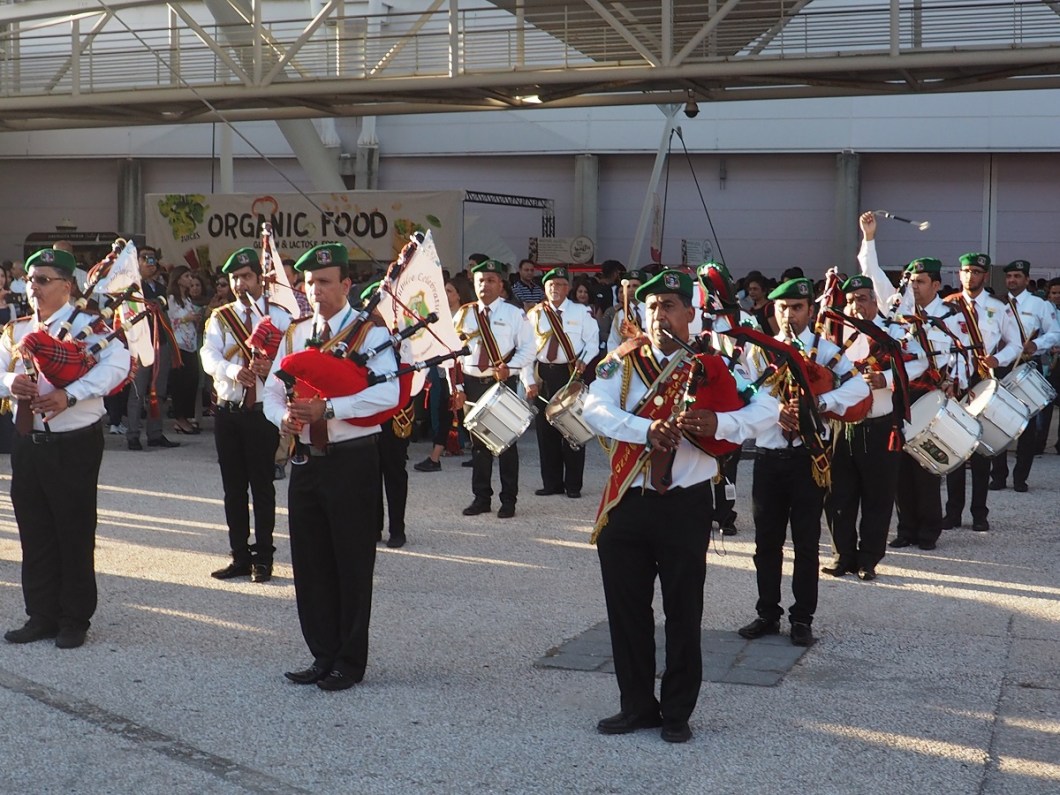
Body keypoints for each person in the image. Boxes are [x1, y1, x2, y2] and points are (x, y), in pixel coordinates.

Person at [582, 270, 778, 744]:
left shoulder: (715, 364)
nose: (659, 315)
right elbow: (594, 409)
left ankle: (676, 712)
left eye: (669, 306)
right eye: (651, 306)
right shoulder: (621, 362)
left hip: (684, 505)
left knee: (683, 612)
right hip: (628, 502)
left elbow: (765, 409)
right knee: (627, 611)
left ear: (690, 313)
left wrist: (719, 423)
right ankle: (636, 706)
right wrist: (643, 429)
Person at [263, 242, 399, 692]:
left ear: (346, 284)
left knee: (351, 561)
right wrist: (282, 418)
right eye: (309, 282)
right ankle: (321, 654)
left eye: (324, 281)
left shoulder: (370, 334)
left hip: (352, 459)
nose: (315, 290)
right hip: (306, 459)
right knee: (311, 561)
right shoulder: (296, 333)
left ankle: (349, 661)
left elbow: (388, 394)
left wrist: (331, 409)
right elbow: (271, 392)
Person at [1, 248, 131, 649]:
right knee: (34, 529)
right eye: (30, 280)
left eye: (43, 280)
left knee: (73, 529)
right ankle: (40, 615)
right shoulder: (17, 330)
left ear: (67, 286)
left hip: (73, 442)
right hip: (28, 441)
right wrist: (9, 384)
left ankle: (74, 617)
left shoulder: (91, 328)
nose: (33, 288)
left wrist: (70, 395)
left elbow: (117, 367)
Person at [737, 277, 870, 648]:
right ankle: (767, 612)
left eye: (796, 308)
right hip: (768, 456)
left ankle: (802, 618)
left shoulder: (825, 350)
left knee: (806, 543)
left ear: (810, 310)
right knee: (766, 542)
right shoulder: (759, 351)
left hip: (808, 458)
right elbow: (743, 392)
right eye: (783, 308)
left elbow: (858, 387)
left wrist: (819, 403)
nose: (789, 315)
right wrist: (773, 411)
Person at [856, 212, 966, 551]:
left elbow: (960, 356)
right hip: (898, 395)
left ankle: (928, 530)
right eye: (912, 280)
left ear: (936, 284)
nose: (913, 286)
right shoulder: (898, 306)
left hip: (929, 396)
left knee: (926, 464)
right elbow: (872, 274)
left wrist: (956, 383)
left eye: (920, 281)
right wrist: (870, 238)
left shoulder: (950, 316)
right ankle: (905, 528)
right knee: (898, 464)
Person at [822, 271, 928, 581]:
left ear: (874, 300)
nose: (856, 306)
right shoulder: (836, 333)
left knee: (877, 498)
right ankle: (842, 555)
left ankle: (868, 559)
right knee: (839, 495)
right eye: (851, 300)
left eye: (862, 299)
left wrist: (887, 378)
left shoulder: (892, 331)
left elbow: (920, 361)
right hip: (843, 426)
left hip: (881, 425)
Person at [200, 248, 292, 583]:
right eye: (234, 278)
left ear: (260, 279)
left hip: (262, 413)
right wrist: (232, 370)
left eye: (246, 277)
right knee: (233, 489)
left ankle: (264, 558)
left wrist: (273, 368)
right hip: (229, 411)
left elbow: (293, 360)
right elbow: (208, 355)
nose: (240, 284)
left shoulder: (280, 317)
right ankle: (239, 555)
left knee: (262, 488)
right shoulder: (220, 317)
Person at [942, 253, 1021, 532]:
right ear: (959, 273)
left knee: (980, 448)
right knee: (954, 445)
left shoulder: (998, 307)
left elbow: (1015, 343)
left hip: (982, 379)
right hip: (953, 380)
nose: (970, 276)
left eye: (976, 271)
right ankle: (953, 512)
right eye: (966, 271)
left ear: (985, 275)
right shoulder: (947, 305)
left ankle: (979, 512)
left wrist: (998, 359)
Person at [452, 259, 534, 519]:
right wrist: (457, 387)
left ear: (500, 285)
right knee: (478, 445)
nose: (485, 285)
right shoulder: (464, 314)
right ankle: (481, 498)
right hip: (471, 384)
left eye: (490, 280)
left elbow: (529, 348)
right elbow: (451, 354)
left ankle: (508, 500)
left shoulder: (514, 314)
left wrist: (511, 369)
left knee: (506, 444)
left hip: (500, 383)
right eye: (480, 281)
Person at [695, 260, 759, 536]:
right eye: (707, 286)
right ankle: (700, 511)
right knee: (697, 452)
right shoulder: (694, 316)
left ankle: (725, 514)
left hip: (733, 392)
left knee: (729, 458)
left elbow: (754, 360)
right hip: (700, 390)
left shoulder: (744, 319)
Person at [524, 267, 598, 499]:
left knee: (573, 429)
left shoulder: (581, 312)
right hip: (543, 374)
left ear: (568, 288)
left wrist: (584, 360)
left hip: (570, 373)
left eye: (560, 284)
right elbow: (525, 349)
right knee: (545, 432)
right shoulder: (535, 314)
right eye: (551, 285)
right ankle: (551, 483)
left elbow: (593, 342)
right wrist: (528, 380)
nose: (555, 288)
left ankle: (573, 485)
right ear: (545, 288)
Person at [990, 260, 1059, 491]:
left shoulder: (1040, 305)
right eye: (1009, 276)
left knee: (1027, 423)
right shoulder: (997, 303)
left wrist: (1037, 344)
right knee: (998, 421)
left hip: (1028, 366)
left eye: (1017, 276)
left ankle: (1021, 478)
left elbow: (1055, 332)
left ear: (1027, 279)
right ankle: (998, 476)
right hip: (1001, 366)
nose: (1012, 280)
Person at [359, 280, 412, 549]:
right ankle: (373, 527)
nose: (374, 313)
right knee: (369, 472)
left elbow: (415, 370)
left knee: (394, 470)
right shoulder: (359, 336)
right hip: (368, 409)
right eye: (371, 308)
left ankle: (397, 529)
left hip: (395, 410)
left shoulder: (404, 335)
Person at [414, 277, 473, 472]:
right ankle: (436, 456)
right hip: (444, 369)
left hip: (464, 371)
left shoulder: (468, 316)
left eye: (449, 291)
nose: (446, 295)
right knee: (445, 411)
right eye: (444, 290)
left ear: (459, 294)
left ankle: (438, 456)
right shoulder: (439, 315)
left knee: (461, 413)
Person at [126, 245, 180, 451]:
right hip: (141, 343)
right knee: (138, 391)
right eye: (145, 258)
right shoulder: (131, 287)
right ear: (136, 262)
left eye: (153, 258)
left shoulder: (159, 286)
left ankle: (155, 433)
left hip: (161, 342)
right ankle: (133, 434)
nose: (151, 262)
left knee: (159, 390)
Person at [166, 265, 204, 435]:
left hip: (190, 343)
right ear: (178, 279)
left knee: (192, 380)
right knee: (180, 382)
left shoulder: (187, 299)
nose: (190, 279)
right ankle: (179, 418)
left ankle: (186, 416)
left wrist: (195, 318)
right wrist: (185, 318)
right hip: (178, 344)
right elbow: (169, 320)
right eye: (187, 276)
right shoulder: (171, 299)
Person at [1034, 278, 1060, 454]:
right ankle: (1039, 443)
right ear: (1048, 294)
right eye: (1054, 293)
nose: (1057, 296)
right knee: (1044, 404)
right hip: (1047, 362)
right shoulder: (1043, 310)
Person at [603, 269, 647, 352]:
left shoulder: (652, 311)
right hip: (628, 358)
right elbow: (613, 342)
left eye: (635, 286)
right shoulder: (620, 314)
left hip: (651, 357)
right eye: (628, 287)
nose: (631, 290)